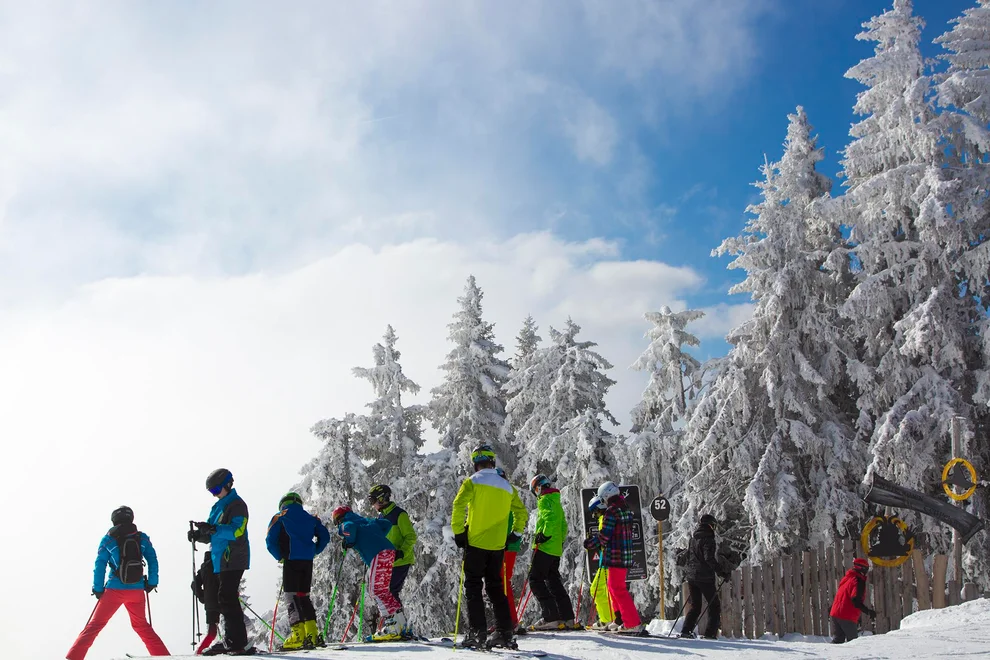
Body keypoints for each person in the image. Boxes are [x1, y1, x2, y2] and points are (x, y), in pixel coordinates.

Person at [451, 443, 529, 649]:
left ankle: (477, 632)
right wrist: (516, 533)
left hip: (476, 542)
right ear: (492, 461)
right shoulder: (506, 486)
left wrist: (459, 532)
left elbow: (458, 505)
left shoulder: (472, 481)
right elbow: (521, 512)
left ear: (475, 463)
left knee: (473, 587)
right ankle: (505, 632)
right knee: (496, 588)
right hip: (497, 545)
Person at [66, 506, 170, 660]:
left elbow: (100, 565)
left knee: (94, 626)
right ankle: (164, 657)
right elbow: (152, 560)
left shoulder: (108, 539)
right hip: (137, 590)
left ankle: (73, 657)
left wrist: (98, 589)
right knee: (142, 626)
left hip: (114, 590)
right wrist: (152, 582)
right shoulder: (141, 538)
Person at [188, 468, 254, 656]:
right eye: (211, 491)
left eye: (216, 490)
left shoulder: (237, 505)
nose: (214, 494)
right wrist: (199, 535)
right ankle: (231, 640)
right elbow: (212, 534)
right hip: (220, 559)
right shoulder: (218, 507)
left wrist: (213, 529)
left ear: (228, 484)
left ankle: (236, 642)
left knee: (226, 596)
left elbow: (237, 530)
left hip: (233, 556)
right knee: (224, 598)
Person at [266, 492, 332, 650]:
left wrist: (279, 556)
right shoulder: (311, 517)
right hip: (307, 562)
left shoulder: (280, 516)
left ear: (283, 504)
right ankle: (312, 634)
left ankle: (298, 635)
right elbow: (325, 536)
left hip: (291, 560)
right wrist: (314, 551)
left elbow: (270, 541)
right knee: (304, 597)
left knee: (292, 597)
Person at [331, 504, 407, 638]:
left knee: (376, 591)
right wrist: (376, 536)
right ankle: (400, 625)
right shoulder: (366, 520)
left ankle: (393, 627)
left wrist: (349, 541)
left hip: (377, 554)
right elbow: (386, 524)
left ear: (338, 519)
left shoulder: (345, 523)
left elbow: (349, 528)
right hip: (389, 552)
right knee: (383, 590)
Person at [583, 481, 643, 634]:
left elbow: (604, 537)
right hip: (625, 555)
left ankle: (632, 623)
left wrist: (590, 543)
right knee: (612, 587)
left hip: (616, 555)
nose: (603, 501)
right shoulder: (625, 509)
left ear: (607, 495)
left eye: (603, 498)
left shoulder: (611, 511)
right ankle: (619, 619)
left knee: (618, 589)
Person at [527, 474, 576, 631]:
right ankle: (566, 617)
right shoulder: (555, 500)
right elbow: (563, 525)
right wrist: (558, 541)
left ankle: (551, 617)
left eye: (535, 490)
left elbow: (551, 520)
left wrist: (543, 535)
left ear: (538, 488)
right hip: (555, 549)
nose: (536, 494)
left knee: (535, 579)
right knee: (553, 581)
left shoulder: (545, 500)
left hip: (545, 547)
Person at [678, 514, 728, 639]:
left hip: (692, 577)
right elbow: (709, 558)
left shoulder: (693, 538)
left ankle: (686, 630)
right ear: (710, 525)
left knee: (696, 606)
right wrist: (721, 572)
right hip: (704, 577)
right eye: (714, 526)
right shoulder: (708, 539)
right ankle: (710, 633)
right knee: (714, 606)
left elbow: (689, 557)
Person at [369, 484, 417, 611]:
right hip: (388, 561)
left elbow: (411, 536)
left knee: (391, 591)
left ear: (381, 499)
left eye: (372, 501)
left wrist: (401, 552)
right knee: (384, 592)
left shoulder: (399, 514)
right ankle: (393, 619)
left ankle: (397, 620)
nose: (372, 505)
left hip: (401, 560)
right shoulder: (381, 517)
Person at [495, 468, 523, 634]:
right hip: (505, 544)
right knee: (501, 581)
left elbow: (509, 518)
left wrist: (506, 538)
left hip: (505, 545)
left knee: (502, 582)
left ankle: (510, 621)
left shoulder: (505, 493)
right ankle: (508, 620)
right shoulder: (506, 492)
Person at [829, 557, 876, 643]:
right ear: (863, 569)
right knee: (853, 643)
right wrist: (868, 611)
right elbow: (855, 600)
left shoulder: (847, 578)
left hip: (835, 613)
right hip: (846, 615)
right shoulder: (858, 581)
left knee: (838, 641)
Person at [586, 495, 615, 630]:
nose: (594, 515)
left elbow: (604, 538)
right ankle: (609, 618)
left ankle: (609, 619)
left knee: (599, 589)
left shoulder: (606, 518)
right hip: (607, 559)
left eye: (595, 511)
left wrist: (591, 543)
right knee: (603, 589)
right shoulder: (604, 518)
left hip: (608, 561)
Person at [191, 553, 221, 654]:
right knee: (230, 623)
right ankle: (234, 644)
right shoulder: (219, 564)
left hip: (210, 603)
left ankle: (199, 651)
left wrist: (202, 597)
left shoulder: (203, 569)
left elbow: (194, 585)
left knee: (212, 632)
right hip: (222, 599)